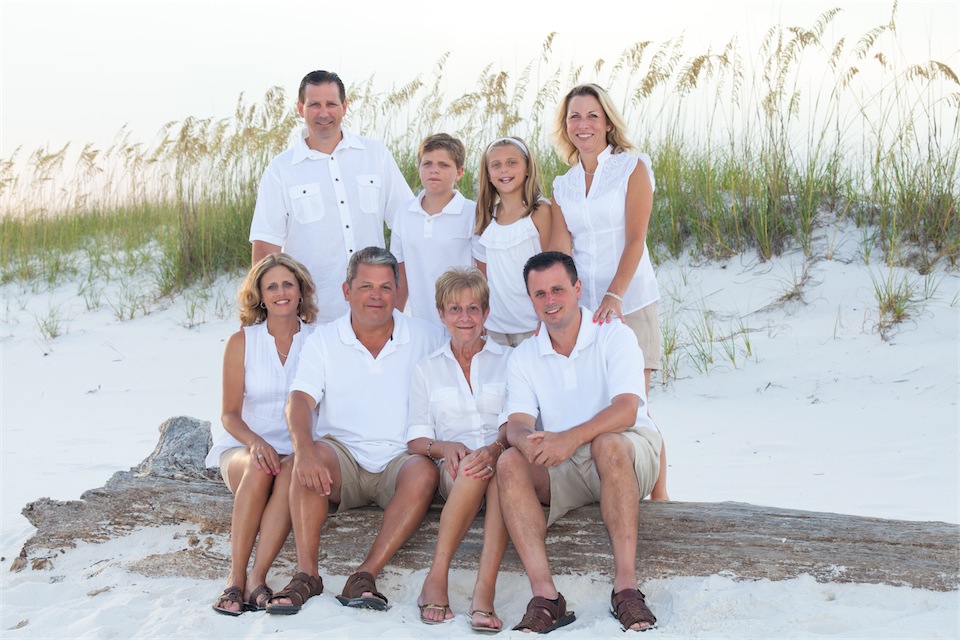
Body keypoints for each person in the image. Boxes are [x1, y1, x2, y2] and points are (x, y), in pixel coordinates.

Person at [265, 246, 444, 615]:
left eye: (385, 287)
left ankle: (365, 574)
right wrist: (304, 448)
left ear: (398, 291)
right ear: (347, 291)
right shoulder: (325, 341)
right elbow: (299, 402)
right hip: (342, 457)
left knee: (424, 470)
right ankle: (307, 575)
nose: (376, 296)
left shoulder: (428, 336)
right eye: (365, 286)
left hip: (401, 457)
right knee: (306, 456)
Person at [498, 251, 662, 633]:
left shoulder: (614, 334)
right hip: (565, 462)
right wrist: (526, 443)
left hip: (628, 448)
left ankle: (626, 589)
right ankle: (546, 597)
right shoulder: (524, 356)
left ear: (577, 288)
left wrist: (569, 438)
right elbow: (516, 424)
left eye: (557, 289)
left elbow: (625, 411)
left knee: (608, 444)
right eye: (539, 294)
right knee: (509, 464)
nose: (550, 300)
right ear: (530, 299)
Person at [549, 83, 669, 501]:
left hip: (630, 300)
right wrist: (560, 308)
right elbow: (562, 254)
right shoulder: (562, 185)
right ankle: (610, 489)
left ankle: (661, 496)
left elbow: (636, 238)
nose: (583, 125)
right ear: (565, 127)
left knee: (635, 402)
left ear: (608, 122)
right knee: (597, 402)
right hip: (583, 311)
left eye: (592, 116)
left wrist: (614, 296)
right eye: (574, 117)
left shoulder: (632, 167)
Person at [249, 70, 414, 324]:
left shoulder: (376, 156)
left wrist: (398, 304)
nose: (323, 113)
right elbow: (265, 248)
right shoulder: (280, 171)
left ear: (344, 106)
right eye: (314, 104)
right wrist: (266, 316)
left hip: (377, 314)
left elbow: (407, 226)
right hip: (313, 318)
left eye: (331, 104)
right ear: (300, 108)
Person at [207, 253, 319, 616]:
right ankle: (234, 579)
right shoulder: (242, 341)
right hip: (244, 446)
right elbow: (229, 414)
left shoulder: (320, 341)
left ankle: (257, 577)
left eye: (288, 284)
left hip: (295, 450)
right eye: (271, 286)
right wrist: (256, 442)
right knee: (260, 466)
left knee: (290, 470)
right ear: (260, 294)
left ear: (301, 291)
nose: (281, 292)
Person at [405, 268, 510, 631]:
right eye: (454, 309)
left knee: (498, 471)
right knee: (471, 466)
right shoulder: (427, 368)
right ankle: (438, 575)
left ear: (486, 312)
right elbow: (416, 439)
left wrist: (496, 448)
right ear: (441, 314)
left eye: (473, 308)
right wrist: (444, 446)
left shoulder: (510, 360)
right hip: (453, 472)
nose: (464, 318)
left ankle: (484, 591)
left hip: (501, 464)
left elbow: (518, 423)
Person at [473, 136, 552, 347]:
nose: (504, 170)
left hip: (534, 325)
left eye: (512, 163)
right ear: (488, 175)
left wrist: (548, 318)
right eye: (496, 165)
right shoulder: (486, 216)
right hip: (496, 328)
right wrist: (482, 320)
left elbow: (553, 269)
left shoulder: (540, 211)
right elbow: (483, 277)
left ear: (527, 168)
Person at [392, 133, 476, 329]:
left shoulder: (473, 212)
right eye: (427, 164)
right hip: (421, 323)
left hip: (464, 323)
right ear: (419, 168)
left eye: (443, 165)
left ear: (459, 172)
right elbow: (401, 273)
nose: (434, 170)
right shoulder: (404, 213)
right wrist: (393, 320)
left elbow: (483, 272)